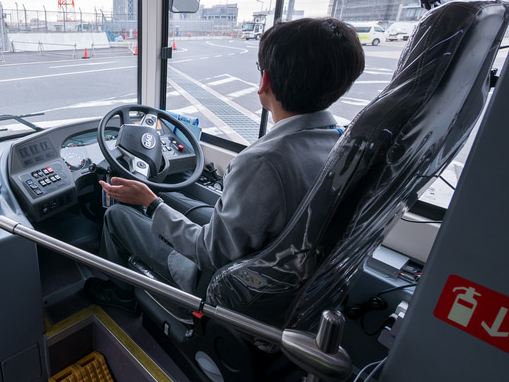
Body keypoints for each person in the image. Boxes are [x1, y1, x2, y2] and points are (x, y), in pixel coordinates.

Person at [86, 17, 365, 313]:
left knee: (118, 215)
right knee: (171, 195)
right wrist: (157, 199)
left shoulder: (263, 162)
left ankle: (121, 296)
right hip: (278, 269)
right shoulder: (343, 143)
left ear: (265, 80)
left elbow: (208, 253)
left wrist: (150, 203)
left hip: (218, 279)